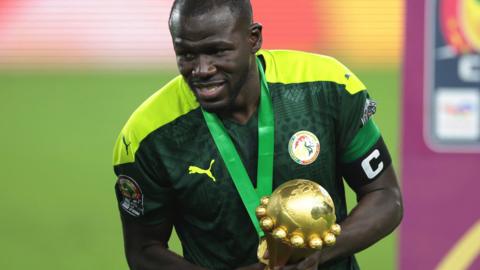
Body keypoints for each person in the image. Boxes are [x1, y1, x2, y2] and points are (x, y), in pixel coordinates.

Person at [112, 0, 403, 269]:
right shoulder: (147, 137)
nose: (201, 69)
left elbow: (385, 195)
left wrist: (317, 255)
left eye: (217, 51)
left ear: (253, 39)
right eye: (186, 54)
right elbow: (143, 250)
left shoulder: (328, 88)